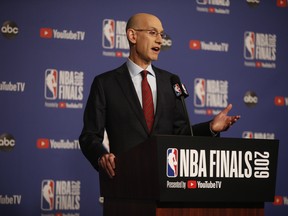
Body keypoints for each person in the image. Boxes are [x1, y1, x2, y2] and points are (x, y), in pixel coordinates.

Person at [79, 13, 240, 179]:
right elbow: (89, 135)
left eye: (161, 34)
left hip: (165, 182)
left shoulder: (170, 81)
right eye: (152, 33)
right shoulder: (105, 83)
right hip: (124, 181)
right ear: (132, 36)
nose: (160, 40)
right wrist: (101, 157)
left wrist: (210, 128)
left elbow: (181, 134)